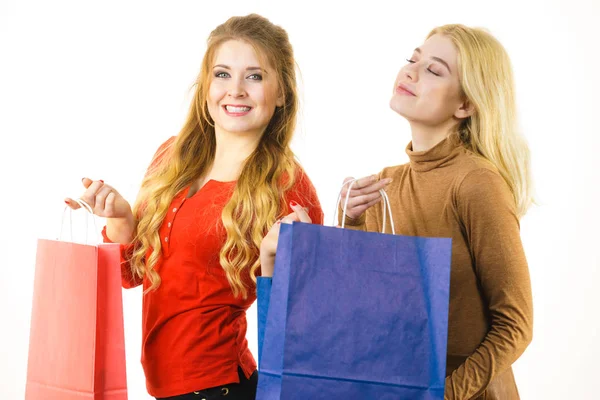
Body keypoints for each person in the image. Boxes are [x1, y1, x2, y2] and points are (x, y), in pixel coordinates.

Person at [262, 24, 534, 400]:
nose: (410, 71)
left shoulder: (476, 182)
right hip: (398, 386)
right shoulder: (385, 184)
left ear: (466, 104)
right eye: (413, 59)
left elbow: (515, 325)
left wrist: (444, 394)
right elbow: (365, 312)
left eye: (434, 70)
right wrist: (352, 223)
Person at [66, 13, 323, 400]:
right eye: (222, 74)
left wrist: (277, 261)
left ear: (282, 93)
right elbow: (133, 275)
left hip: (218, 387)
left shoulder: (287, 187)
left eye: (254, 76)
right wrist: (121, 218)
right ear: (205, 86)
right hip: (166, 386)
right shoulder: (171, 157)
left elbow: (308, 320)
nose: (235, 90)